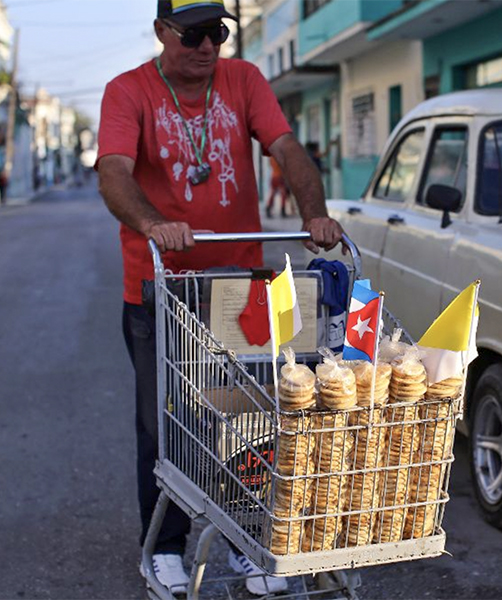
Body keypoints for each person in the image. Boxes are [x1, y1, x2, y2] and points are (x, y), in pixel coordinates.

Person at [95, 0, 344, 596]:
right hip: (165, 286)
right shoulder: (127, 91)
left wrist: (315, 214)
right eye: (195, 34)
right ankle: (163, 548)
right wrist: (155, 224)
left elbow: (285, 149)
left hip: (238, 284)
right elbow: (114, 171)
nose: (209, 47)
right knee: (168, 424)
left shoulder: (245, 79)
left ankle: (245, 540)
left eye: (219, 33)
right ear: (162, 32)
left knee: (250, 413)